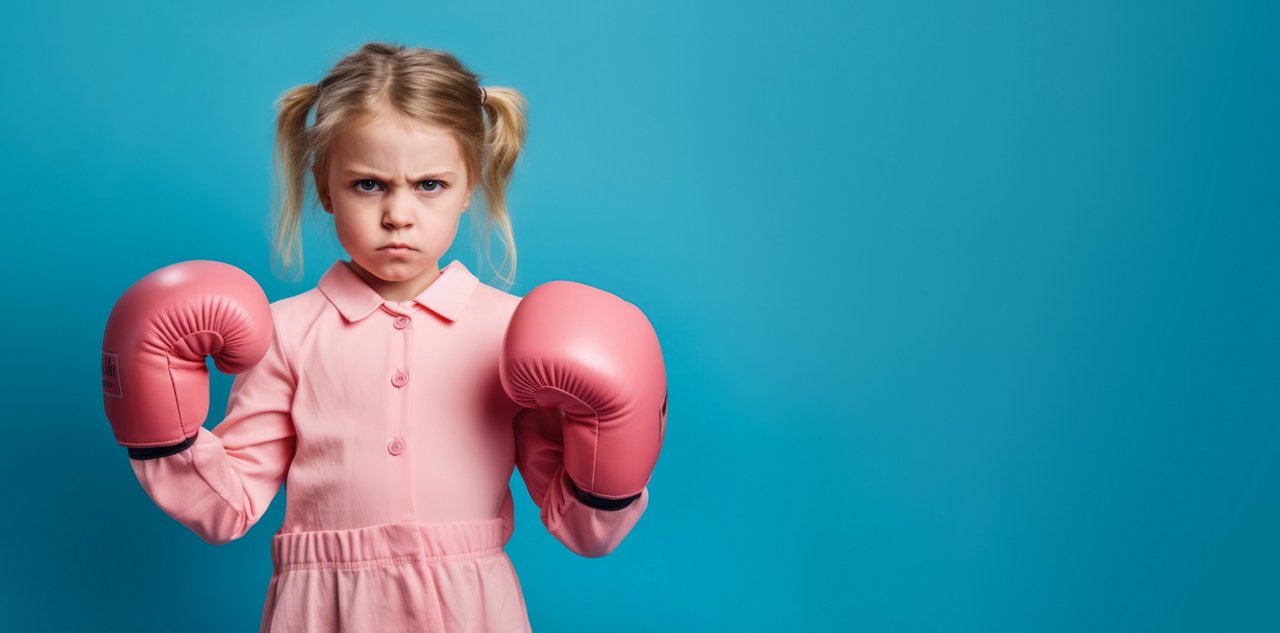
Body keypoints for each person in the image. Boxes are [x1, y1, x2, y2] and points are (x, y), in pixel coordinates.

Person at [99, 42, 667, 632]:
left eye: (429, 185)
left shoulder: (514, 333)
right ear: (324, 188)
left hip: (472, 608)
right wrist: (162, 434)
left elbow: (580, 527)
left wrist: (611, 469)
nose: (399, 214)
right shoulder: (285, 333)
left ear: (469, 186)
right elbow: (226, 508)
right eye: (369, 185)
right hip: (324, 611)